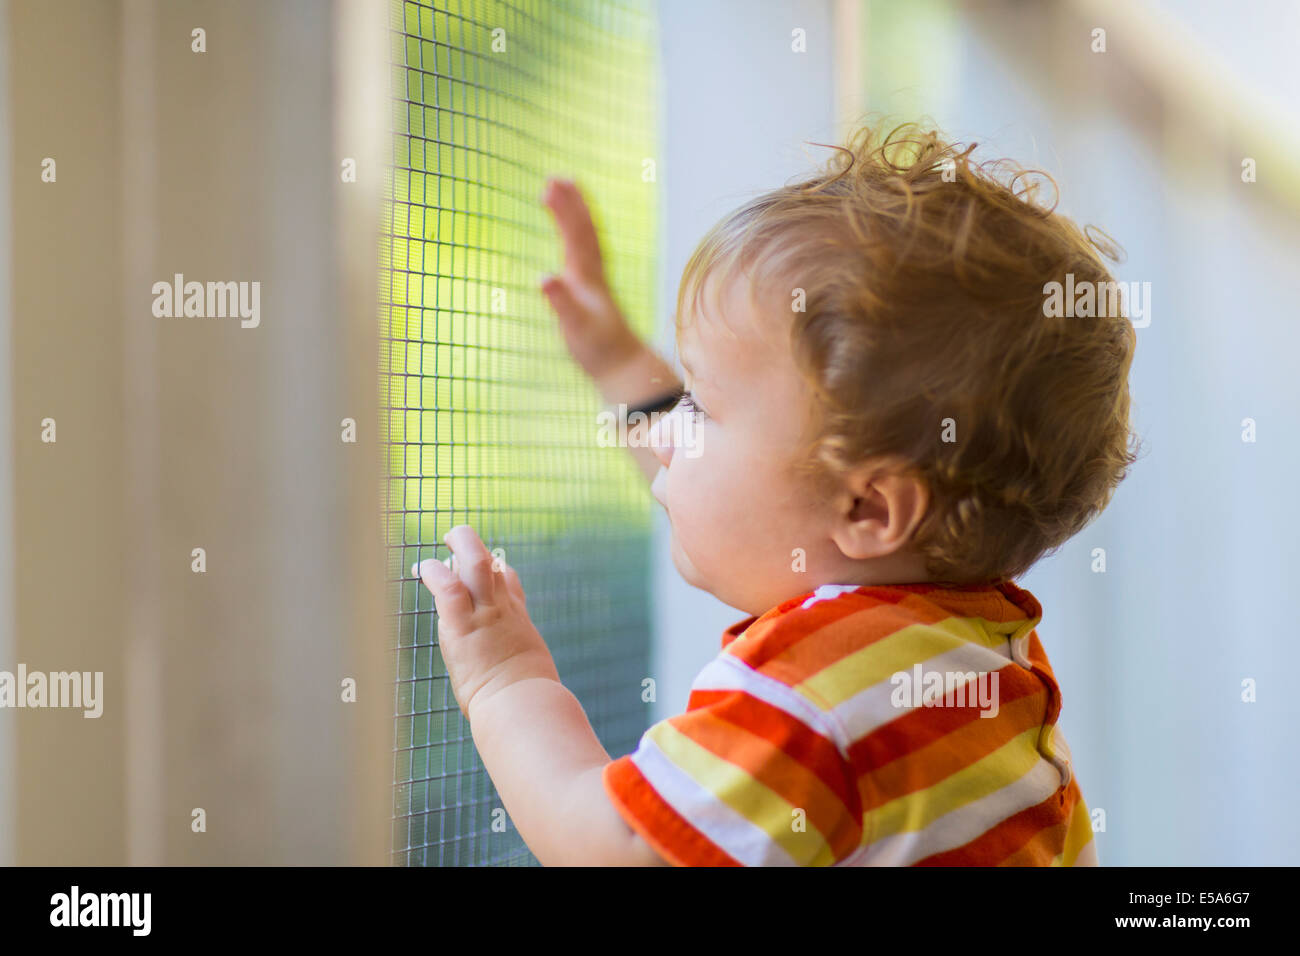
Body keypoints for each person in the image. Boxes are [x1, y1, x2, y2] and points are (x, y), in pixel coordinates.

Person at [414, 122, 1136, 866]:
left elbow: (616, 849)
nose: (668, 436)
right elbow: (752, 494)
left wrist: (507, 684)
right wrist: (621, 364)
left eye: (701, 405)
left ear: (869, 510)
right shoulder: (974, 655)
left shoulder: (820, 696)